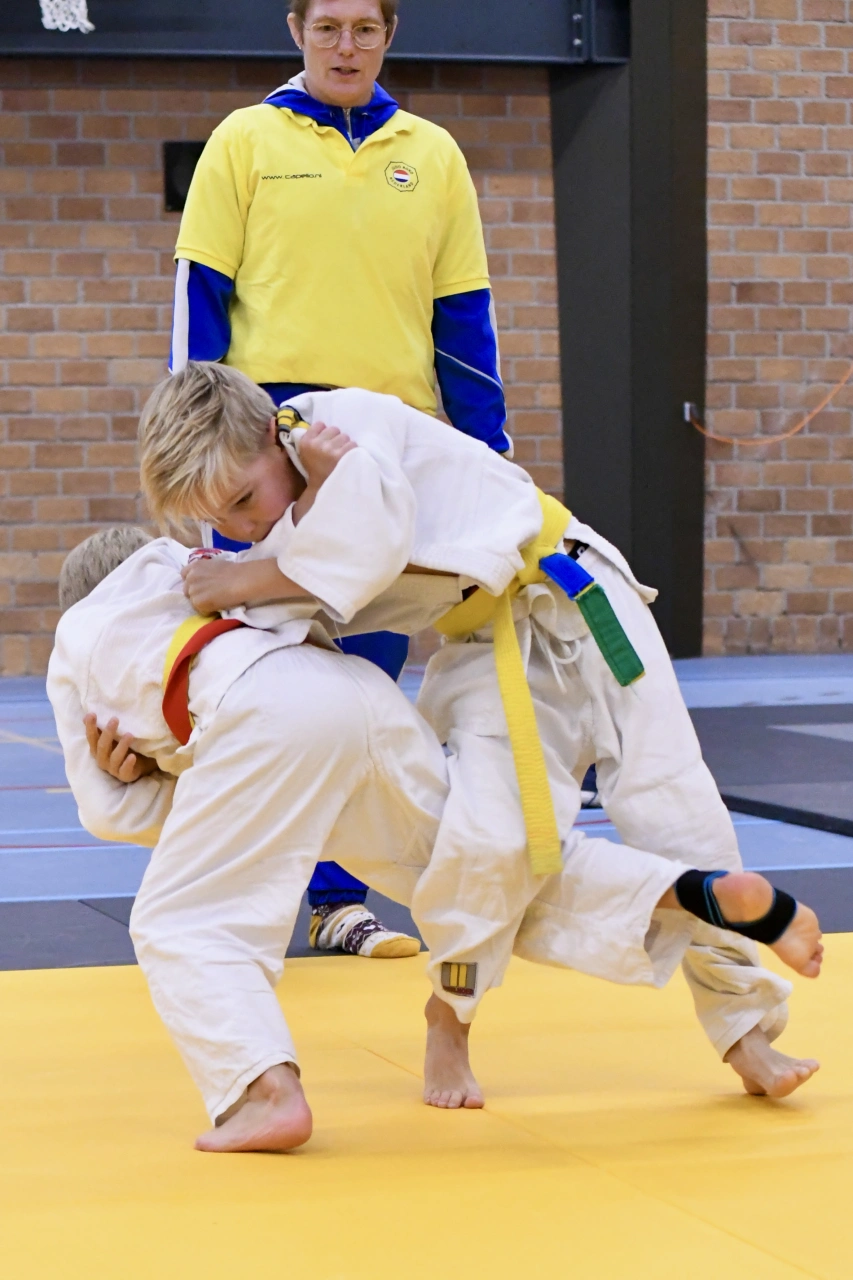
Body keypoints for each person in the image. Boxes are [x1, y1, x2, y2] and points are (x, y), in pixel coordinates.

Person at [138, 363, 824, 1109]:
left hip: (581, 592)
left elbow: (366, 546)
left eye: (244, 499)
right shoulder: (278, 542)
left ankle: (745, 1028)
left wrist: (252, 571)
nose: (242, 528)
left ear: (274, 436)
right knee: (489, 841)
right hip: (485, 644)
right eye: (220, 519)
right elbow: (278, 630)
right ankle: (450, 1012)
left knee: (678, 810)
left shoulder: (341, 427)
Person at [51, 522, 818, 1152]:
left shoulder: (80, 634)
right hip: (359, 699)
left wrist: (145, 779)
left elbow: (110, 814)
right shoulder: (203, 572)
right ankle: (682, 890)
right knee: (484, 868)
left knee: (182, 923)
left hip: (268, 726)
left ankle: (262, 1090)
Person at [169, 0, 508, 951]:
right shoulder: (243, 140)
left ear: (388, 35)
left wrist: (491, 455)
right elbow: (199, 303)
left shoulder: (432, 154)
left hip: (385, 454)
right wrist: (200, 458)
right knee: (255, 678)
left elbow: (464, 320)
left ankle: (337, 902)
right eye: (328, 28)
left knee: (365, 681)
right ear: (297, 30)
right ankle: (228, 895)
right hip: (264, 450)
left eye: (364, 28)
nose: (346, 46)